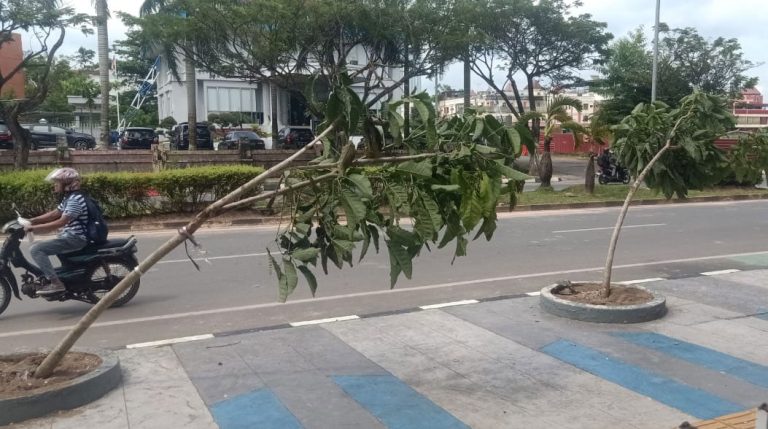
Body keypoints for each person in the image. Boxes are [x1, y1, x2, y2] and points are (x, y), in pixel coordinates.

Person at [24, 168, 89, 295]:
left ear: (67, 184)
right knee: (41, 246)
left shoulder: (75, 200)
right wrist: (31, 220)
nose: (55, 184)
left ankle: (56, 283)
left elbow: (60, 222)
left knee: (37, 249)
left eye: (58, 182)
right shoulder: (69, 198)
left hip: (76, 238)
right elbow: (55, 213)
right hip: (69, 235)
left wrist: (33, 229)